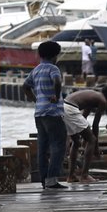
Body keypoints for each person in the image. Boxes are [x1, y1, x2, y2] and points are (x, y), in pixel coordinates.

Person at [23, 40, 67, 189]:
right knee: (58, 145)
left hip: (39, 113)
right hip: (53, 112)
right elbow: (57, 81)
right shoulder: (53, 68)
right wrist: (55, 95)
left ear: (39, 54)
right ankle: (52, 179)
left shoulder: (36, 70)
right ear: (55, 55)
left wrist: (35, 100)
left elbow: (25, 86)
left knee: (42, 146)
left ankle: (44, 179)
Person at [62, 89, 107, 183]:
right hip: (71, 109)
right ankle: (85, 175)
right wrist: (96, 147)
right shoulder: (103, 101)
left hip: (63, 107)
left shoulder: (93, 96)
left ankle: (71, 176)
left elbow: (84, 117)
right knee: (92, 139)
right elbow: (95, 125)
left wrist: (84, 137)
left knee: (76, 142)